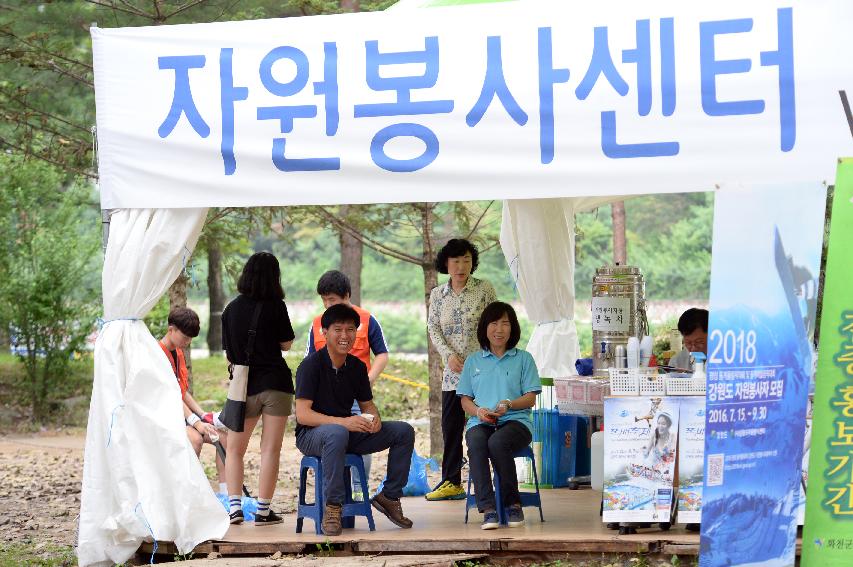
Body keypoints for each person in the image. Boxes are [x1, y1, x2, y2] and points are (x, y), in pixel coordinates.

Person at [294, 304, 415, 536]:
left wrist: (375, 419)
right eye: (338, 329)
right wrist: (344, 423)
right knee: (337, 433)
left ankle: (389, 497)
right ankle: (332, 507)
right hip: (311, 435)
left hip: (345, 433)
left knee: (403, 431)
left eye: (350, 330)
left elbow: (367, 405)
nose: (344, 336)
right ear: (324, 332)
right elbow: (303, 414)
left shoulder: (357, 367)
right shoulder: (310, 366)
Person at [221, 252, 295, 525]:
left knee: (235, 450)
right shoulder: (277, 306)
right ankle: (263, 511)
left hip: (244, 388)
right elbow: (286, 344)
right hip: (276, 384)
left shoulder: (230, 309)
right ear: (275, 277)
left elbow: (230, 355)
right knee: (270, 449)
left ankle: (235, 509)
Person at [457, 302, 541, 530]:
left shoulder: (524, 359)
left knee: (498, 441)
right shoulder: (473, 361)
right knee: (475, 441)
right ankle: (489, 509)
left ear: (512, 328)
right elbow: (465, 399)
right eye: (494, 323)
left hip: (516, 422)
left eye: (505, 323)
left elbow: (531, 397)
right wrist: (479, 411)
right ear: (485, 328)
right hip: (481, 421)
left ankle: (512, 503)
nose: (499, 329)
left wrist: (509, 404)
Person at [425, 238, 497, 502]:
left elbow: (496, 324)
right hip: (453, 371)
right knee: (451, 427)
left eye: (466, 260)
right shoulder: (438, 295)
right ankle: (451, 481)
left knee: (484, 424)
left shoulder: (484, 289)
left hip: (483, 371)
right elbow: (433, 327)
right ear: (446, 264)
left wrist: (487, 357)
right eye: (455, 261)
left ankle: (487, 482)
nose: (461, 266)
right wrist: (447, 355)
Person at [306, 270, 389, 496]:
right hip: (325, 398)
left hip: (356, 396)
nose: (327, 304)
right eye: (324, 300)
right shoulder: (317, 324)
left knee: (363, 437)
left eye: (332, 299)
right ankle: (334, 493)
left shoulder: (367, 319)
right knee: (334, 439)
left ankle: (359, 490)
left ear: (347, 296)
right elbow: (309, 359)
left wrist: (368, 379)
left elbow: (382, 354)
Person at [158, 307, 229, 494]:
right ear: (171, 329)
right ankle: (186, 494)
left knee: (223, 438)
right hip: (164, 418)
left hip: (183, 416)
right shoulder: (157, 354)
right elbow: (170, 396)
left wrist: (203, 415)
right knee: (195, 439)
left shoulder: (178, 352)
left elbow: (182, 391)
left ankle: (226, 495)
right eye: (185, 337)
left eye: (191, 339)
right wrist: (196, 422)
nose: (188, 342)